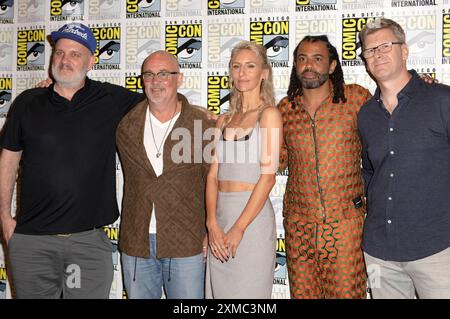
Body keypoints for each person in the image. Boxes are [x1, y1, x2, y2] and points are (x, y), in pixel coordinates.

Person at [0, 23, 143, 298]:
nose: (65, 60)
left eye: (75, 54)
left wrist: (197, 111)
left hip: (86, 245)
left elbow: (161, 102)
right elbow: (8, 160)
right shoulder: (27, 102)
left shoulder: (110, 99)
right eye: (59, 53)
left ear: (91, 61)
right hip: (32, 242)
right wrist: (5, 218)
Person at [358, 17, 450, 299]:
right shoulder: (365, 115)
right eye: (370, 50)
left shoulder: (441, 100)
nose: (378, 54)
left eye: (385, 45)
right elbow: (371, 172)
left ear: (405, 50)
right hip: (379, 253)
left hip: (437, 248)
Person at [277, 35, 371, 299]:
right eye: (302, 59)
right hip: (299, 227)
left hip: (345, 227)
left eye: (318, 59)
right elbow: (276, 161)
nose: (309, 65)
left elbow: (389, 122)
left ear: (331, 66)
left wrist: (421, 85)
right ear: (295, 66)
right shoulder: (285, 109)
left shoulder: (355, 99)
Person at [116, 50, 215, 299]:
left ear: (179, 79)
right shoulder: (127, 125)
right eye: (148, 75)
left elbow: (213, 182)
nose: (155, 81)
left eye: (163, 73)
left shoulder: (200, 124)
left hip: (186, 241)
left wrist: (210, 230)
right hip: (137, 242)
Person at [205, 41, 283, 299]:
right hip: (221, 218)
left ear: (264, 73)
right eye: (237, 66)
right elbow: (212, 176)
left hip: (252, 222)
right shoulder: (224, 120)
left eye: (250, 66)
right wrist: (212, 224)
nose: (242, 72)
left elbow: (268, 178)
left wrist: (239, 228)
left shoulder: (269, 114)